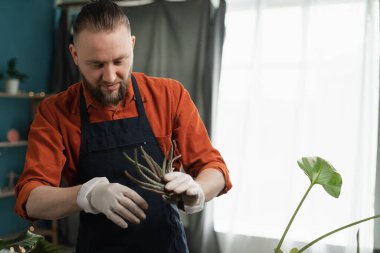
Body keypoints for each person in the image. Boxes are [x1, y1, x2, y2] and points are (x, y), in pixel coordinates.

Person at [15, 0, 232, 252]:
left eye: (119, 61)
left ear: (132, 45)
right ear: (75, 55)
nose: (109, 77)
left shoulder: (169, 95)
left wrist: (198, 189)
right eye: (96, 65)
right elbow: (30, 198)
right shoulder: (55, 112)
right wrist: (88, 195)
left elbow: (215, 169)